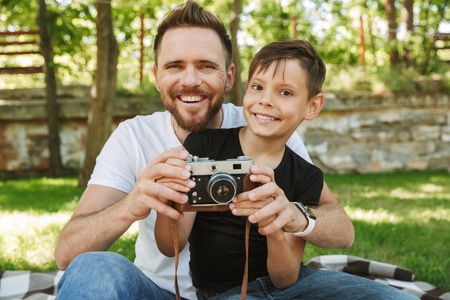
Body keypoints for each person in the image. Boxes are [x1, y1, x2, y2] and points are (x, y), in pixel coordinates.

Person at [55, 1, 415, 299]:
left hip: (260, 287)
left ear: (229, 77)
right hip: (160, 292)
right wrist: (133, 204)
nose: (191, 80)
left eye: (206, 66)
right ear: (156, 74)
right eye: (175, 66)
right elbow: (66, 254)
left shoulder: (267, 126)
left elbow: (334, 220)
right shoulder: (132, 135)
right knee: (93, 266)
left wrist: (293, 217)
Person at [154, 39, 325, 299]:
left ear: (312, 106)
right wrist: (169, 201)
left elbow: (285, 278)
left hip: (290, 289)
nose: (265, 100)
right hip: (221, 293)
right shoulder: (204, 144)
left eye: (286, 92)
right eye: (257, 87)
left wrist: (274, 226)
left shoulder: (307, 175)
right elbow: (169, 246)